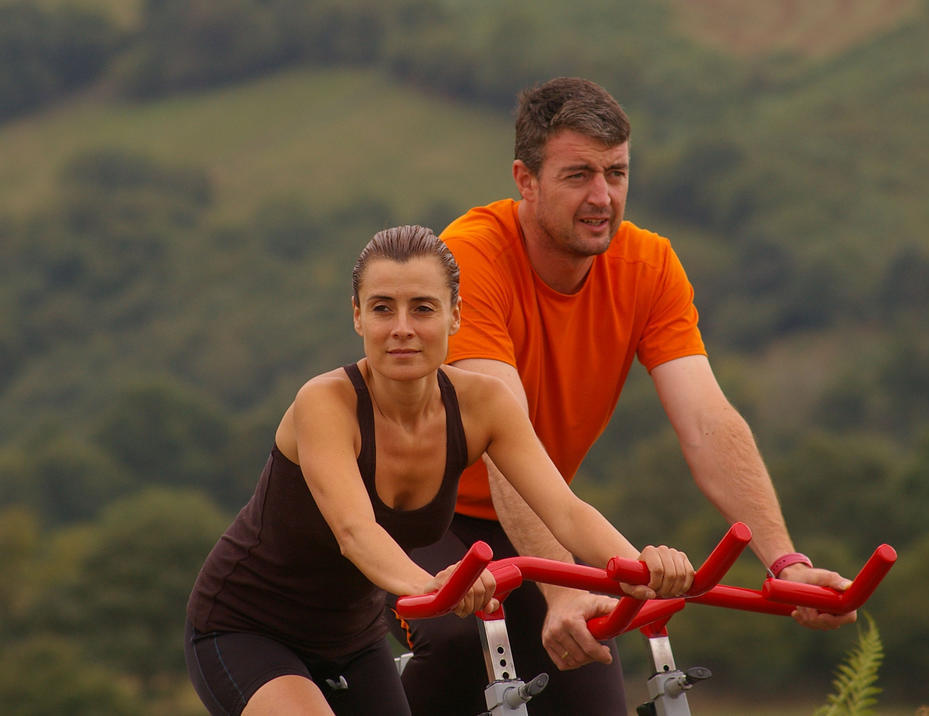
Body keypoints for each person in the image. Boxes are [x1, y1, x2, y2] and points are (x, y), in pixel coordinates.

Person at [389, 78, 858, 715]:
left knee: (592, 674)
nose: (602, 197)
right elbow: (503, 446)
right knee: (452, 640)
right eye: (578, 174)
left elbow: (708, 422)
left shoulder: (649, 266)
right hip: (417, 515)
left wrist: (786, 563)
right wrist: (560, 591)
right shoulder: (468, 260)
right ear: (524, 180)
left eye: (616, 173)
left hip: (538, 516)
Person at [184, 225, 696, 716]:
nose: (402, 328)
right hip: (246, 628)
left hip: (352, 640)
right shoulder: (326, 403)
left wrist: (643, 567)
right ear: (358, 316)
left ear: (455, 316)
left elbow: (563, 509)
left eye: (423, 308)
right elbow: (356, 532)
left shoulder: (483, 403)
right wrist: (431, 585)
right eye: (383, 308)